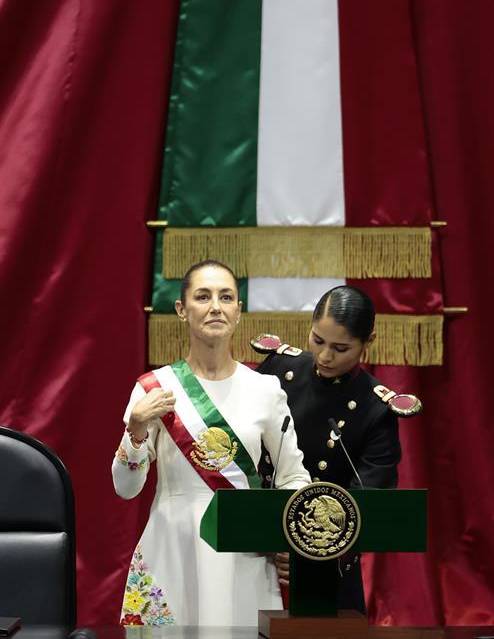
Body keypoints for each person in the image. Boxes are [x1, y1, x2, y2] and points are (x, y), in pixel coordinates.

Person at [112, 259, 310, 627]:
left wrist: (289, 538)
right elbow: (126, 488)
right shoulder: (153, 388)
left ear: (238, 310)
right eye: (202, 297)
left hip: (243, 553)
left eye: (226, 297)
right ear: (182, 310)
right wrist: (137, 427)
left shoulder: (265, 390)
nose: (215, 306)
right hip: (173, 548)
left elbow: (294, 478)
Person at [254, 285, 419, 614]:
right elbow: (243, 456)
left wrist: (306, 550)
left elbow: (369, 499)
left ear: (367, 342)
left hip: (329, 566)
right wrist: (271, 542)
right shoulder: (277, 371)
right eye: (318, 340)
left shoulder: (376, 407)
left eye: (341, 348)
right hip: (258, 552)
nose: (325, 356)